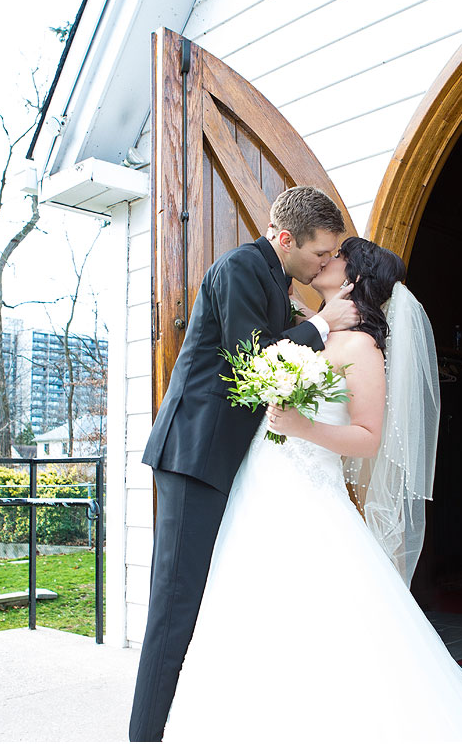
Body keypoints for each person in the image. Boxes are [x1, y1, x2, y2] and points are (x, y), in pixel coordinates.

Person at [159, 237, 462, 742]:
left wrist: (301, 427)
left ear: (353, 277)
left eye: (334, 257)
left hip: (309, 492)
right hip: (263, 486)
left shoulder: (362, 348)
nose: (323, 260)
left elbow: (367, 438)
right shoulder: (308, 334)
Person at [130, 186, 361, 743]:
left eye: (332, 257)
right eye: (320, 254)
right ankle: (143, 737)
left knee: (204, 601)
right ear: (285, 239)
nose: (326, 264)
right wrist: (323, 323)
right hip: (195, 456)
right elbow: (254, 360)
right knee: (176, 603)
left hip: (225, 462)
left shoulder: (277, 283)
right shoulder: (238, 267)